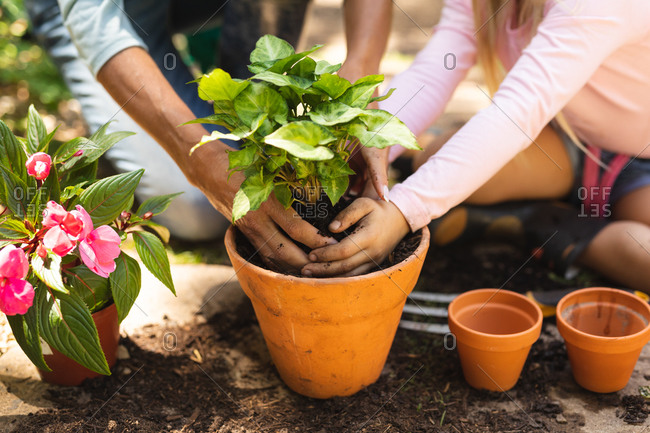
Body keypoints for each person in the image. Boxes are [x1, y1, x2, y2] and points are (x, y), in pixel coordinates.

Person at [302, 0, 650, 291]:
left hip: (642, 161)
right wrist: (373, 143)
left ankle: (548, 225)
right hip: (566, 141)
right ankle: (539, 212)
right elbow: (436, 68)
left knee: (639, 253)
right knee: (435, 161)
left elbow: (517, 111)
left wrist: (404, 210)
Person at [25, 0, 392, 272]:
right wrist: (202, 162)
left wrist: (360, 73)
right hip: (106, 13)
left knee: (257, 165)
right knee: (198, 210)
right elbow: (94, 19)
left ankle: (232, 78)